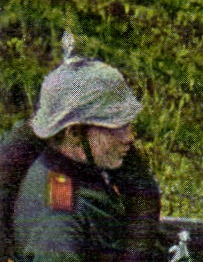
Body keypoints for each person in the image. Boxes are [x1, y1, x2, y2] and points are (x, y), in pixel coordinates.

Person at [4, 35, 161, 262]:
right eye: (116, 127)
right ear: (74, 133)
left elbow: (141, 190)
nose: (130, 137)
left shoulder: (80, 160)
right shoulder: (58, 224)